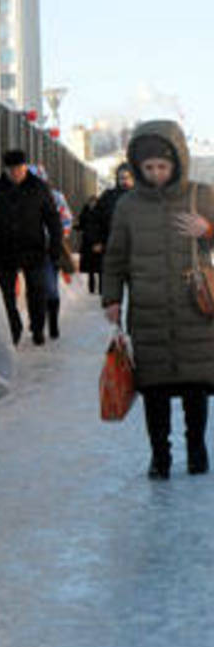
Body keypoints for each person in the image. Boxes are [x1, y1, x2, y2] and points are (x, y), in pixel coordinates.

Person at [102, 120, 214, 479]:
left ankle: (197, 450)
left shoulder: (202, 195)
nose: (156, 175)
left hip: (194, 308)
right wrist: (111, 298)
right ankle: (160, 456)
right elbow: (115, 257)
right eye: (148, 168)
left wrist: (208, 231)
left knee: (197, 386)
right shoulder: (128, 206)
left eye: (162, 167)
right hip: (148, 310)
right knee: (154, 389)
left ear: (177, 161)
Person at [0, 150, 63, 345]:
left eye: (19, 168)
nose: (16, 173)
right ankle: (13, 327)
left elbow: (53, 219)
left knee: (37, 292)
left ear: (25, 167)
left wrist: (55, 245)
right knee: (6, 294)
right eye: (12, 169)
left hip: (33, 248)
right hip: (4, 250)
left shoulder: (39, 188)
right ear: (6, 169)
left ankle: (37, 328)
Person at [30, 164, 73, 339]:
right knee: (34, 287)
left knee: (50, 286)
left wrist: (57, 238)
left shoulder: (55, 197)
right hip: (30, 248)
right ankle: (38, 324)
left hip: (49, 248)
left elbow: (67, 220)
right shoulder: (24, 197)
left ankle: (52, 323)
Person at [88, 163, 134, 293]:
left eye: (128, 178)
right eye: (121, 178)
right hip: (112, 248)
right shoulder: (108, 197)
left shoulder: (142, 198)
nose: (124, 181)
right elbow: (94, 220)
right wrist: (96, 240)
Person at [76, 194, 100, 293]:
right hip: (88, 242)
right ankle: (91, 288)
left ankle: (101, 288)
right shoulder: (85, 212)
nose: (92, 204)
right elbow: (81, 224)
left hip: (98, 242)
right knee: (90, 268)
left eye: (94, 202)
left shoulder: (101, 212)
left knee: (99, 267)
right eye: (91, 202)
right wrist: (78, 227)